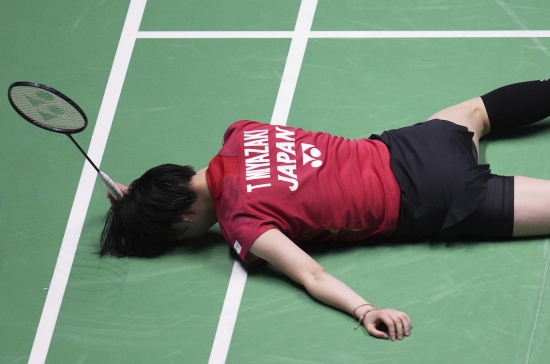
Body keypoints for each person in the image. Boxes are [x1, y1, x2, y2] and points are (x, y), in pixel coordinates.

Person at [99, 80, 550, 342]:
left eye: (180, 234)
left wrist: (365, 310)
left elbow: (312, 275)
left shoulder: (242, 221)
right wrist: (141, 195)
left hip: (432, 197)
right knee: (477, 111)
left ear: (182, 219)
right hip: (414, 144)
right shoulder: (241, 133)